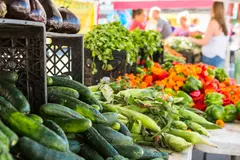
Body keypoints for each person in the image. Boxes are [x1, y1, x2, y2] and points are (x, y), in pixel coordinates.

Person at [188, 1, 229, 68]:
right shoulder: (224, 23)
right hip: (220, 57)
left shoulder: (213, 22)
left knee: (208, 77)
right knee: (218, 77)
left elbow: (204, 42)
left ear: (214, 9)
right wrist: (204, 33)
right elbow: (217, 36)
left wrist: (190, 39)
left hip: (210, 57)